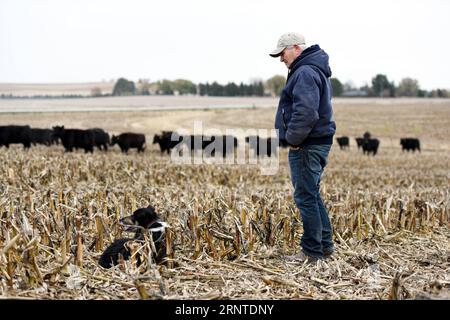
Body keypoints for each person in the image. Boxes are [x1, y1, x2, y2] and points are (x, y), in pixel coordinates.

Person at [270, 32, 336, 263]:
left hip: (307, 145)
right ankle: (324, 247)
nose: (280, 59)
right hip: (315, 142)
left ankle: (311, 252)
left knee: (306, 198)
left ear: (296, 48)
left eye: (282, 53)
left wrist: (294, 140)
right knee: (312, 195)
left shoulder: (305, 72)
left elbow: (306, 113)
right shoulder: (312, 68)